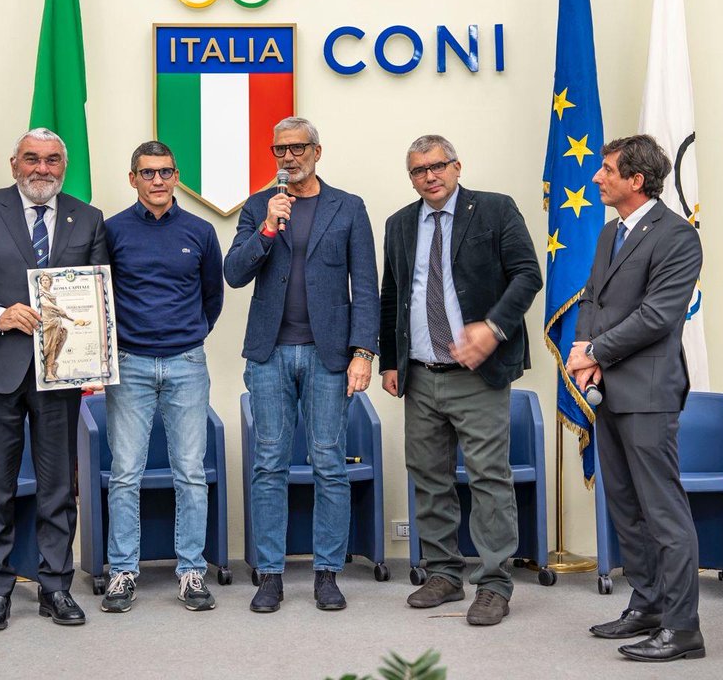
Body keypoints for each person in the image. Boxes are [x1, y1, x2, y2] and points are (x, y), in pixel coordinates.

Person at [0, 127, 108, 631]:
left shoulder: (88, 217)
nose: (42, 169)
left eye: (52, 160)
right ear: (14, 164)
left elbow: (98, 296)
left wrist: (94, 355)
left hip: (61, 373)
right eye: (31, 159)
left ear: (64, 167)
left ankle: (55, 586)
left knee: (58, 485)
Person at [379, 135, 542, 627]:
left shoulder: (493, 210)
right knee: (429, 477)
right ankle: (444, 573)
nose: (429, 176)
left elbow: (528, 276)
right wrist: (391, 359)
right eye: (418, 170)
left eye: (438, 166)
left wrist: (492, 329)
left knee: (489, 477)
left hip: (478, 373)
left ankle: (493, 583)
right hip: (422, 374)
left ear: (456, 166)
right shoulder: (400, 224)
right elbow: (394, 294)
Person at [224, 116, 379, 613]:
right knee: (268, 463)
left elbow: (366, 287)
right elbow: (234, 273)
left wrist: (363, 352)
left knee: (328, 463)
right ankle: (269, 575)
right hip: (269, 353)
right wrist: (269, 226)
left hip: (328, 353)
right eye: (279, 150)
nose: (287, 158)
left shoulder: (349, 208)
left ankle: (327, 573)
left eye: (296, 148)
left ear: (317, 150)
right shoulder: (258, 208)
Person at [565, 133, 705, 662]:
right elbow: (593, 300)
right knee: (626, 508)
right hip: (608, 392)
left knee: (663, 511)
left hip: (648, 394)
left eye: (606, 170)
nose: (597, 177)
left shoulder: (676, 237)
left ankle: (683, 628)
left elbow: (658, 316)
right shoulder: (609, 234)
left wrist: (595, 349)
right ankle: (646, 605)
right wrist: (585, 354)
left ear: (635, 180)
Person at [98, 141, 224, 614]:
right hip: (128, 364)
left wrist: (185, 336)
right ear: (132, 178)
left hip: (187, 363)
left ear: (176, 177)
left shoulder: (201, 231)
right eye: (148, 173)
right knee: (125, 473)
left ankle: (192, 571)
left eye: (166, 172)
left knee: (189, 473)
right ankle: (123, 572)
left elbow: (211, 297)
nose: (157, 181)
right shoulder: (112, 231)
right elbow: (100, 292)